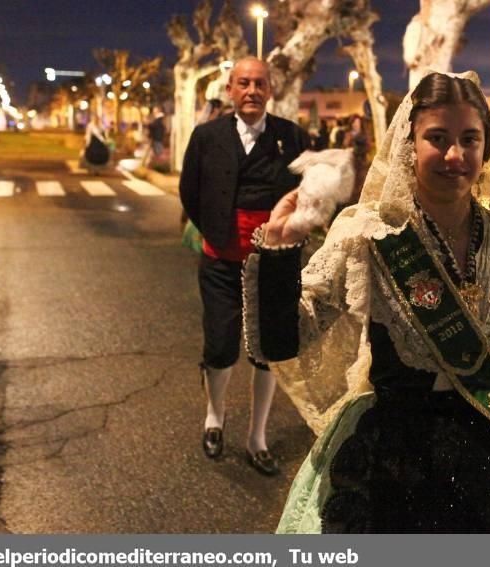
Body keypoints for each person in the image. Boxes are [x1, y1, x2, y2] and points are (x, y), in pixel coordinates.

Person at [242, 71, 490, 532]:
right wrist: (279, 246)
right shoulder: (369, 236)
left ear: (486, 147)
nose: (455, 155)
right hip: (393, 462)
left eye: (469, 139)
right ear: (408, 146)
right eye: (437, 138)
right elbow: (278, 345)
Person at [178, 57, 310, 476]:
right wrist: (215, 232)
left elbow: (309, 195)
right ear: (230, 90)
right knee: (220, 346)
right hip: (220, 260)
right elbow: (189, 191)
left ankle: (258, 437)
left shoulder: (292, 137)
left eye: (259, 84)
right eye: (243, 84)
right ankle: (214, 417)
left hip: (273, 265)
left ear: (270, 90)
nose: (251, 90)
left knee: (267, 354)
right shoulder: (206, 137)